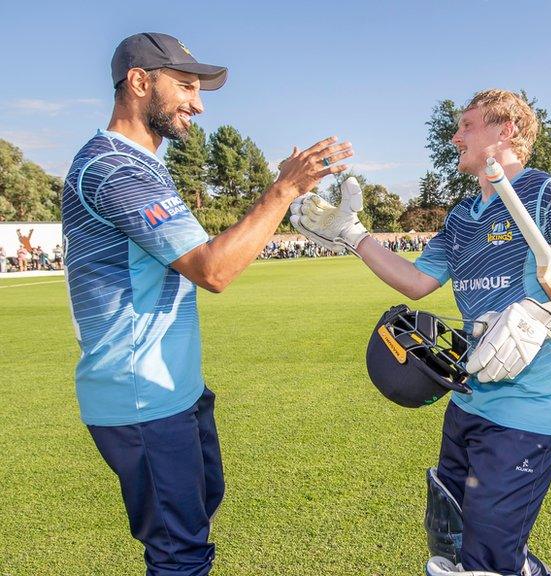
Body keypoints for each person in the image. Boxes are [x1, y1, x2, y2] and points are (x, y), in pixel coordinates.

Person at [290, 89, 551, 576]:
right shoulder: (461, 217)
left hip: (527, 412)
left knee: (486, 561)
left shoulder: (547, 194)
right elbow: (417, 282)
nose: (455, 135)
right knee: (450, 545)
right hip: (467, 402)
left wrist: (544, 315)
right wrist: (354, 236)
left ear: (505, 129)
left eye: (467, 125)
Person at [61, 32, 352, 576]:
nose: (198, 104)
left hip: (175, 389)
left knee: (197, 515)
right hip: (139, 394)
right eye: (187, 87)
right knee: (180, 554)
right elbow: (213, 269)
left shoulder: (143, 166)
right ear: (140, 81)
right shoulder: (115, 168)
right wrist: (283, 191)